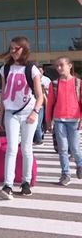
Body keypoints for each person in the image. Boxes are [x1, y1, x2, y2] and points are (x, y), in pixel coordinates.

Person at [0, 36, 44, 200]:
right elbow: (4, 93)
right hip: (11, 113)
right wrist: (0, 116)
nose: (13, 51)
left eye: (16, 48)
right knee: (11, 148)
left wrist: (35, 112)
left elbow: (40, 96)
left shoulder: (31, 69)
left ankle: (25, 182)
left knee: (26, 149)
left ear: (24, 49)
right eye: (11, 48)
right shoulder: (6, 68)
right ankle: (8, 184)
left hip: (29, 112)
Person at [45, 56, 82, 186]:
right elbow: (49, 104)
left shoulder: (78, 83)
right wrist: (48, 120)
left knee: (75, 148)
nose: (59, 68)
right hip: (59, 119)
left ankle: (80, 164)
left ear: (70, 66)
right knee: (63, 148)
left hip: (74, 119)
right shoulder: (54, 84)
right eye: (57, 66)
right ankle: (65, 174)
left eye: (61, 65)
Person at [32, 66, 51, 146]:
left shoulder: (42, 85)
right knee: (34, 124)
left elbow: (45, 97)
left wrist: (48, 108)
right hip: (31, 107)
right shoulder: (31, 85)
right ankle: (36, 139)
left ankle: (39, 139)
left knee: (38, 124)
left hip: (40, 107)